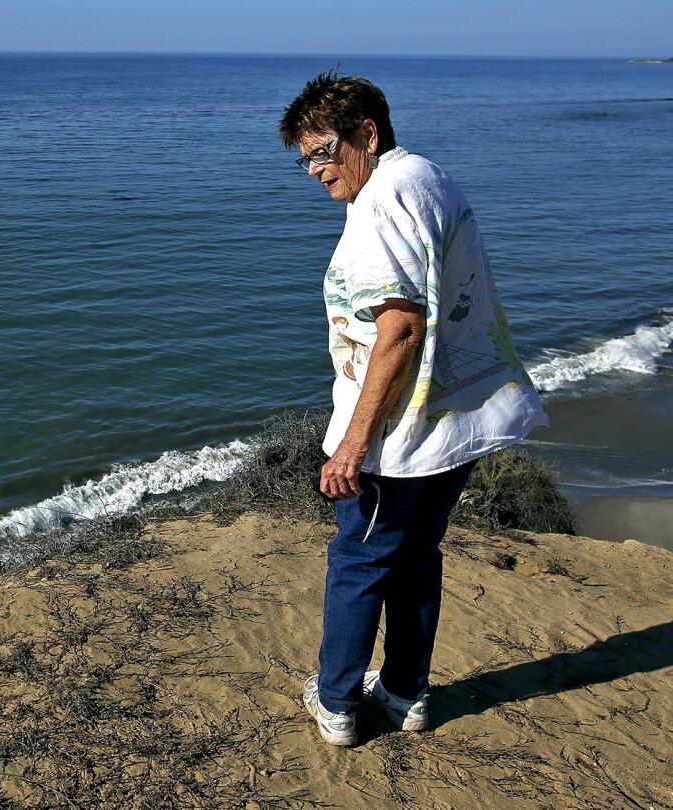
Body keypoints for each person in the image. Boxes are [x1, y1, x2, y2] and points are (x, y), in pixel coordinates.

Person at [277, 71, 547, 746]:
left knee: (360, 560)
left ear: (367, 133)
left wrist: (352, 446)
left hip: (398, 434)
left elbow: (399, 328)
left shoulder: (380, 205)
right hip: (451, 419)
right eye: (304, 157)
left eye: (324, 151)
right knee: (418, 554)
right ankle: (404, 691)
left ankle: (337, 702)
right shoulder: (428, 178)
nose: (314, 170)